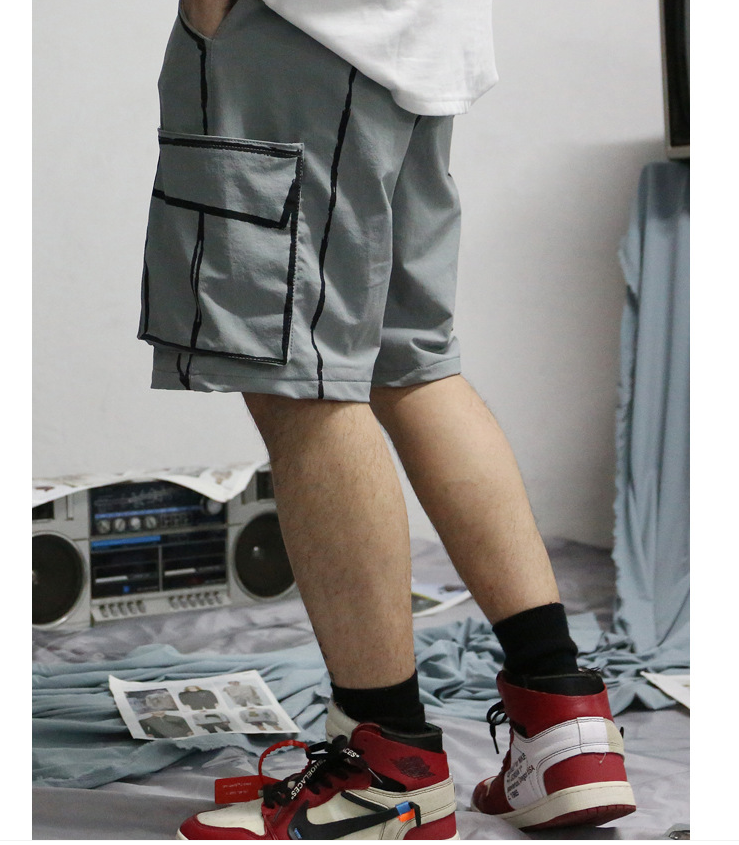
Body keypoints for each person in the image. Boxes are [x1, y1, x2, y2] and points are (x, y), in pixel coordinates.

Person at [138, 0, 636, 838]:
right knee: (412, 363)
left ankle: (385, 767)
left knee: (304, 382)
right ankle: (563, 724)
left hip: (296, 32)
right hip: (417, 35)